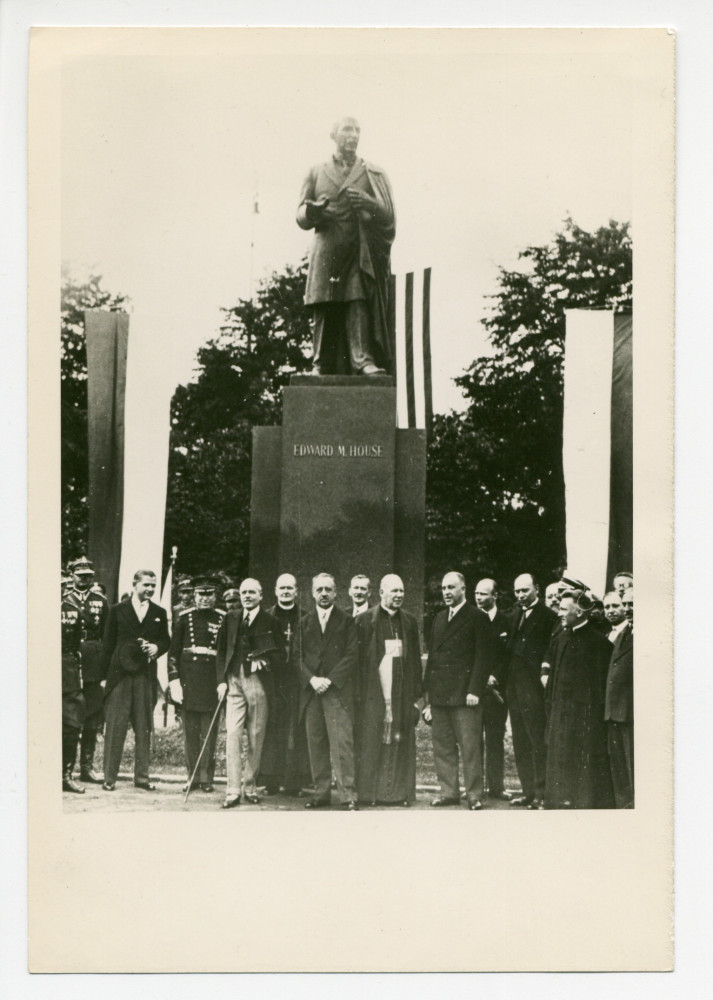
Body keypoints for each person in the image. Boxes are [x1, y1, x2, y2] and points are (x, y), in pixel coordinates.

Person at [297, 116, 396, 376]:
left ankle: (362, 360)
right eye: (347, 130)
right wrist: (313, 212)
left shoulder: (372, 172)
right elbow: (299, 215)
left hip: (358, 250)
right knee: (324, 305)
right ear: (334, 135)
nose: (353, 135)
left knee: (358, 301)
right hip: (327, 250)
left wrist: (369, 203)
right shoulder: (316, 171)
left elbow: (389, 217)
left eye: (357, 130)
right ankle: (319, 363)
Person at [423, 572, 497, 810]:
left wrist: (475, 689)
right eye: (443, 588)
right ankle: (448, 791)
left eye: (451, 587)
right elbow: (433, 659)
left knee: (470, 747)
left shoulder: (477, 617)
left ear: (463, 589)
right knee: (442, 747)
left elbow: (483, 657)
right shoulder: (439, 618)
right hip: (440, 695)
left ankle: (474, 794)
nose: (446, 592)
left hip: (466, 696)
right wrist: (428, 697)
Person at [542, 590, 614, 809]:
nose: (559, 614)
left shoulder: (599, 644)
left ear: (580, 611)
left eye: (564, 609)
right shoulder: (560, 638)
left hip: (584, 719)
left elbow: (601, 688)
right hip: (559, 714)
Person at [355, 574, 423, 806]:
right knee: (373, 741)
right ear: (381, 592)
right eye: (394, 591)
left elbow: (414, 659)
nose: (399, 595)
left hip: (401, 693)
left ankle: (398, 794)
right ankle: (371, 794)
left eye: (402, 591)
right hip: (375, 693)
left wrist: (416, 697)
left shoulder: (410, 621)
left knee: (399, 740)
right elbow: (359, 663)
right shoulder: (365, 620)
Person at [216, 578, 284, 808]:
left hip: (258, 683)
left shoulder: (271, 621)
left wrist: (264, 660)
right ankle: (232, 790)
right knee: (233, 733)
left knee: (256, 735)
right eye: (244, 592)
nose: (246, 596)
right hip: (234, 680)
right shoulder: (231, 617)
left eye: (252, 592)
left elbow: (280, 653)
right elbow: (221, 651)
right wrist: (221, 681)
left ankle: (250, 786)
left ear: (261, 595)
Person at [100, 570, 171, 792]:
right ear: (134, 584)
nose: (150, 589)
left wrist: (157, 648)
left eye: (153, 586)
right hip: (119, 677)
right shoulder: (117, 610)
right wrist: (104, 678)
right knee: (115, 727)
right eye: (146, 585)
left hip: (144, 676)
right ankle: (109, 778)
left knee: (143, 727)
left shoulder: (159, 612)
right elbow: (107, 644)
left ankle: (142, 778)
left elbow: (166, 640)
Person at [298, 573, 359, 809]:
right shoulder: (304, 622)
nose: (324, 593)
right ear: (313, 593)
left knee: (342, 744)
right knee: (316, 743)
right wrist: (312, 679)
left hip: (336, 692)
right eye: (319, 589)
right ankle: (321, 793)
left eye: (328, 589)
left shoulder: (346, 621)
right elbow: (296, 657)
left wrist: (330, 680)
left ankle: (348, 796)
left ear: (336, 593)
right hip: (312, 692)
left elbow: (352, 655)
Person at [496, 573, 557, 809]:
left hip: (533, 688)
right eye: (517, 591)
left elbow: (548, 652)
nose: (521, 595)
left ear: (537, 589)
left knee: (537, 741)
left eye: (525, 590)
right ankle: (528, 791)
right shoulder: (515, 616)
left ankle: (542, 793)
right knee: (520, 741)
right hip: (513, 688)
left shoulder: (549, 617)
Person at [168, 575, 225, 793]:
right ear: (194, 595)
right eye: (200, 594)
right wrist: (174, 680)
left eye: (209, 594)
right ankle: (190, 776)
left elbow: (225, 655)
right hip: (188, 682)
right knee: (190, 733)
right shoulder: (184, 617)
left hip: (211, 682)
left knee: (209, 733)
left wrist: (222, 682)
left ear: (215, 596)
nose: (204, 599)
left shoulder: (223, 618)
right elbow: (173, 652)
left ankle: (206, 778)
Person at [258, 573, 311, 795]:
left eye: (290, 588)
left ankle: (295, 782)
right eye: (282, 588)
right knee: (272, 726)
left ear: (297, 591)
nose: (286, 592)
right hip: (273, 679)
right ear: (276, 591)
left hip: (297, 681)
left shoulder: (306, 617)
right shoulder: (266, 616)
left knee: (296, 729)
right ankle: (271, 780)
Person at [65, 557, 108, 783]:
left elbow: (107, 634)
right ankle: (65, 769)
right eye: (80, 575)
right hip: (69, 662)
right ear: (72, 576)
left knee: (92, 715)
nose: (85, 579)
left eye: (89, 576)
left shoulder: (100, 601)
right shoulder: (63, 600)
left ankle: (87, 767)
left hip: (94, 662)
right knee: (68, 717)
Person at [474, 578, 511, 801]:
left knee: (495, 739)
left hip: (497, 693)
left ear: (494, 596)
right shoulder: (470, 619)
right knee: (474, 740)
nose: (478, 598)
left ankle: (496, 787)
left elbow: (508, 655)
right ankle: (475, 788)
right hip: (475, 691)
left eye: (483, 594)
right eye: (476, 593)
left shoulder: (506, 622)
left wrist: (494, 676)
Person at [605, 588, 634, 807]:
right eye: (625, 604)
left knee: (633, 765)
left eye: (631, 604)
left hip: (631, 711)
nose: (626, 608)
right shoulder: (621, 634)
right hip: (614, 710)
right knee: (619, 767)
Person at [61, 589, 86, 793]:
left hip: (66, 672)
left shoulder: (73, 611)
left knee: (70, 724)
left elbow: (76, 644)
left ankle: (65, 775)